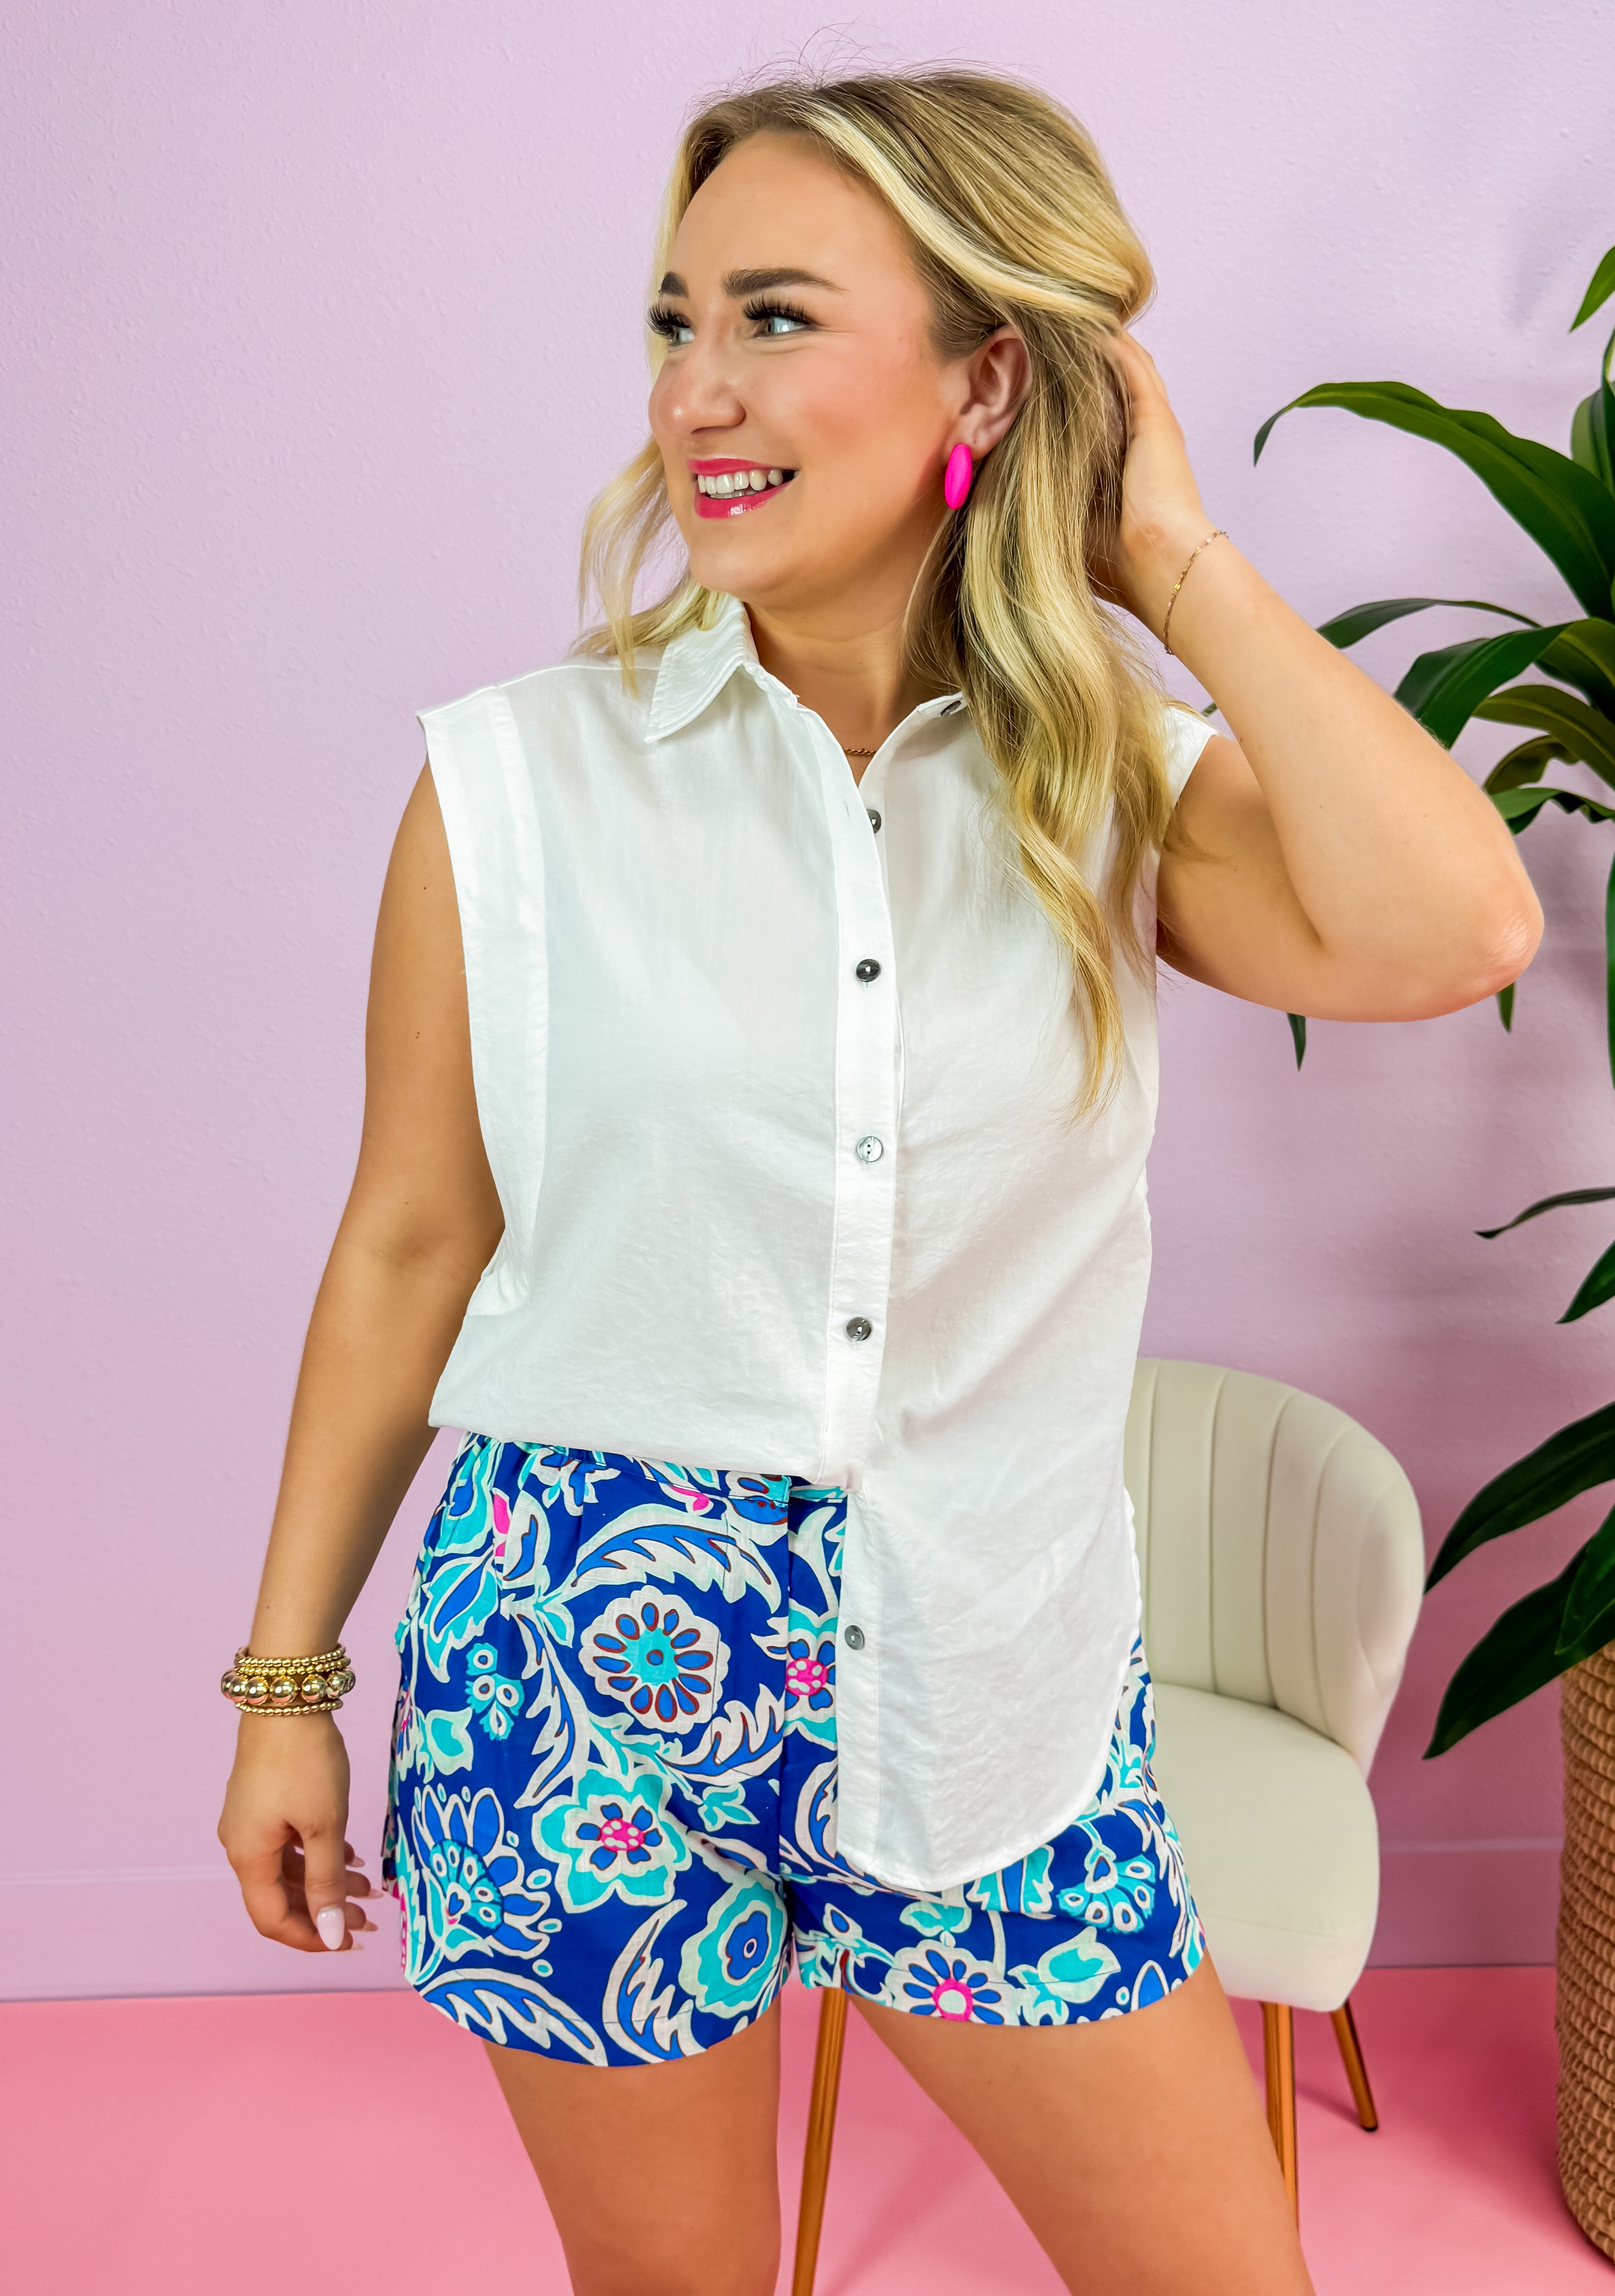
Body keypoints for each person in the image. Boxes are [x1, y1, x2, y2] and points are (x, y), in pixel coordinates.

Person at [217, 69, 1540, 2296]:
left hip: (990, 1662)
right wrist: (285, 1686)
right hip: (579, 1666)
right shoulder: (512, 786)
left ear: (986, 376)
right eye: (674, 322)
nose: (697, 393)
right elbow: (414, 1242)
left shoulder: (1113, 787)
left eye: (774, 317)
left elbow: (1463, 930)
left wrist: (1164, 557)